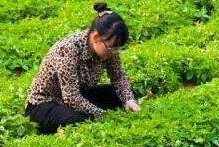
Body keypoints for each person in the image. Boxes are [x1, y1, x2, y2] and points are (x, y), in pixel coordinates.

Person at [25, 2, 141, 134]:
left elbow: (118, 77)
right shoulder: (68, 50)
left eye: (118, 48)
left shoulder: (108, 49)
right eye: (112, 48)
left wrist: (129, 100)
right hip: (45, 104)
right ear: (96, 38)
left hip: (80, 95)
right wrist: (103, 115)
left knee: (126, 94)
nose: (115, 52)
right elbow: (71, 97)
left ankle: (91, 113)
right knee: (79, 120)